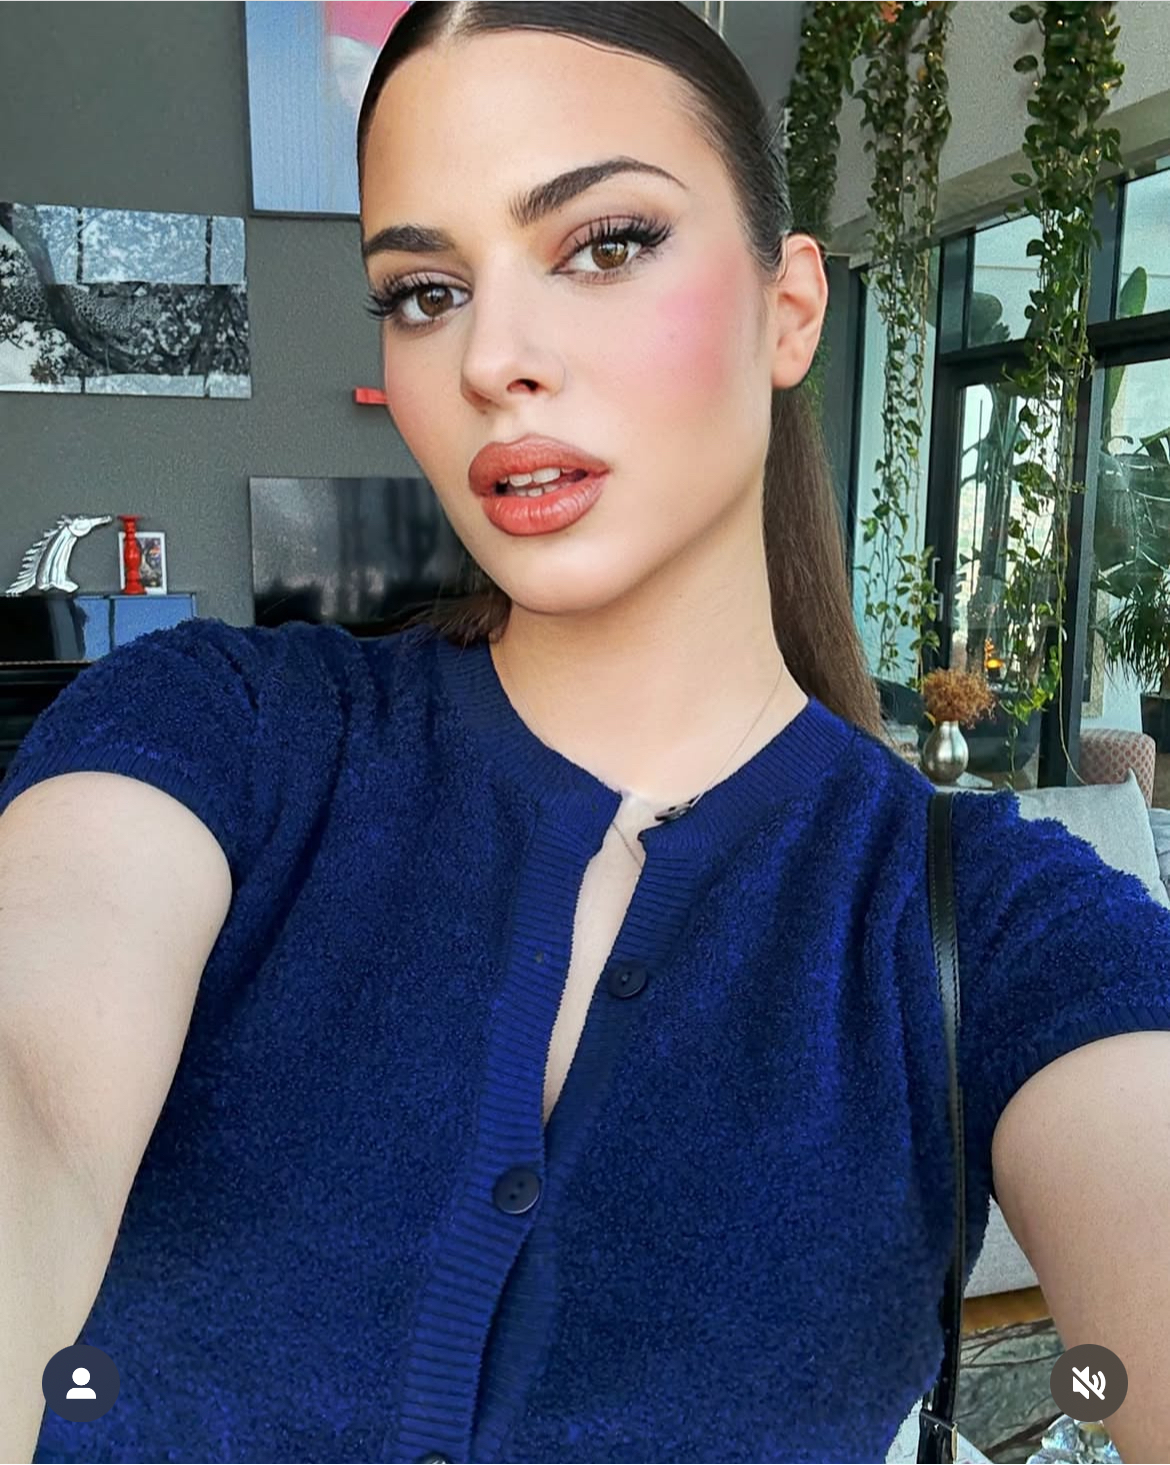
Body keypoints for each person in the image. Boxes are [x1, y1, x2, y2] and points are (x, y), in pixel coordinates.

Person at [1, 4, 1168, 1463]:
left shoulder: (995, 926)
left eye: (606, 243)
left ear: (789, 309)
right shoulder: (217, 735)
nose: (492, 355)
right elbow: (33, 1088)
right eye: (425, 289)